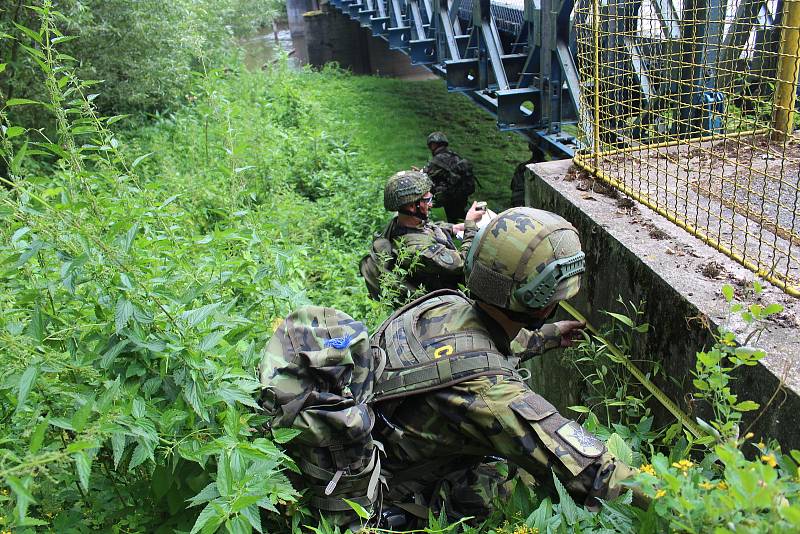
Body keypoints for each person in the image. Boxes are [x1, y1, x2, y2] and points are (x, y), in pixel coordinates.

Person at [369, 207, 644, 526]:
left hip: (386, 450)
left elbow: (476, 349)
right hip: (397, 496)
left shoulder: (443, 305)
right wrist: (681, 500)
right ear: (545, 305)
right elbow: (589, 468)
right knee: (522, 486)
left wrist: (549, 336)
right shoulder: (490, 394)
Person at [361, 170, 486, 300]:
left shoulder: (401, 221)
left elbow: (425, 228)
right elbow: (463, 263)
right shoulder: (419, 250)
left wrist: (454, 228)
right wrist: (470, 225)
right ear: (411, 207)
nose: (431, 204)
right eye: (427, 200)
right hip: (445, 303)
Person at [423, 132, 476, 223]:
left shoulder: (437, 160)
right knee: (460, 217)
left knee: (453, 220)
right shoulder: (455, 156)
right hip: (462, 193)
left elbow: (425, 177)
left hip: (449, 196)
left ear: (434, 144)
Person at [510, 141, 546, 207]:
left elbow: (513, 185)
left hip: (519, 200)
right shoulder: (545, 170)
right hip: (523, 201)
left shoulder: (522, 167)